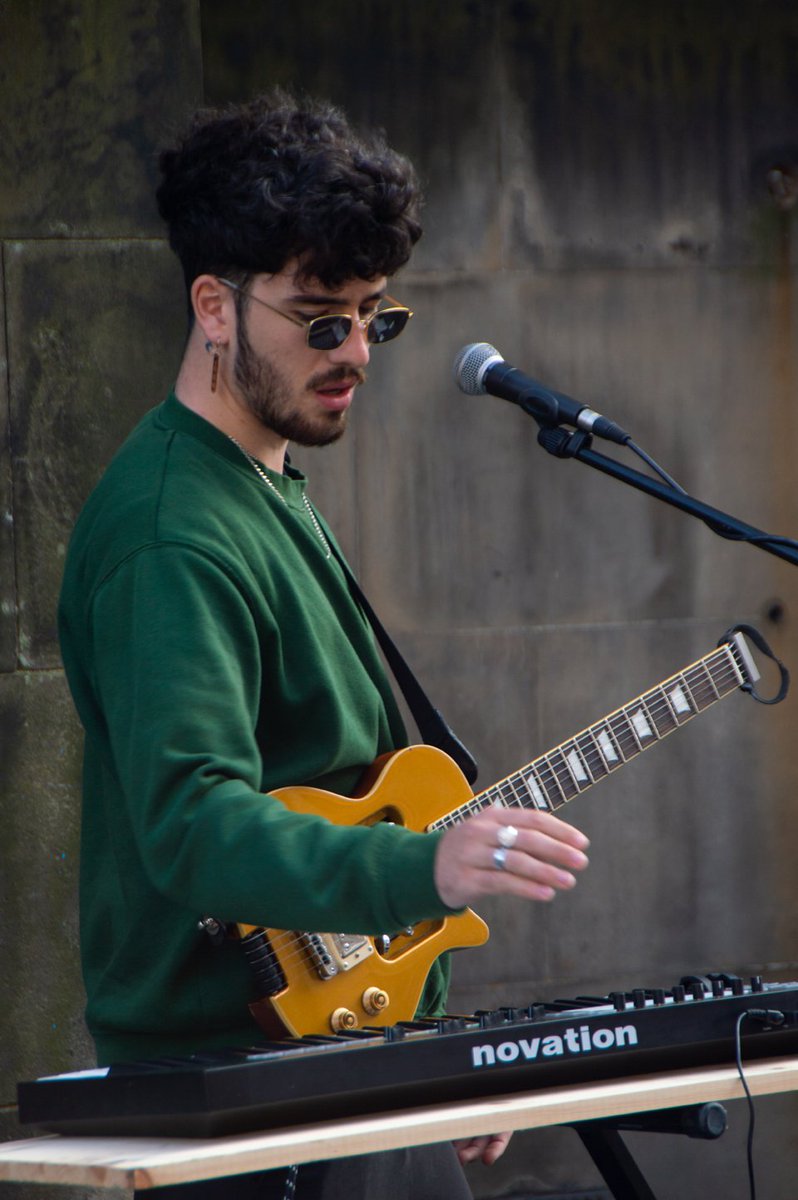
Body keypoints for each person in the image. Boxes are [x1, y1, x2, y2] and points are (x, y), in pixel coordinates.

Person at [57, 91, 590, 1199]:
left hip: (328, 1066)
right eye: (319, 320)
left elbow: (343, 789)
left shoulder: (264, 485)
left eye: (373, 317)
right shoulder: (170, 532)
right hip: (237, 1112)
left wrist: (425, 1045)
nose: (354, 352)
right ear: (215, 307)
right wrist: (423, 868)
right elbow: (193, 821)